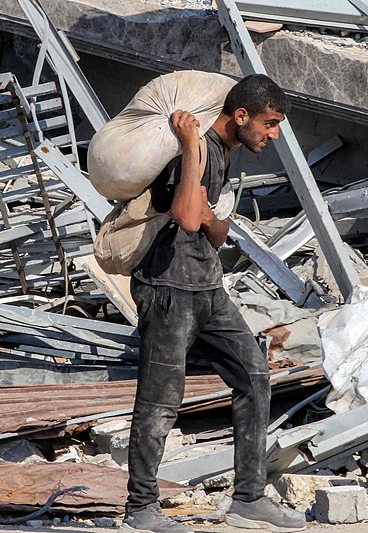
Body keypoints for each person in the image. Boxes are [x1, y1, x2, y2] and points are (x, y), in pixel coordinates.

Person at [120, 74, 307, 533]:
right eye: (269, 123)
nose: (273, 134)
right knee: (160, 401)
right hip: (167, 288)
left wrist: (207, 214)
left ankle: (248, 498)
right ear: (240, 115)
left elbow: (218, 233)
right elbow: (187, 218)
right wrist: (190, 153)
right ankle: (140, 510)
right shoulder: (197, 147)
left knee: (254, 375)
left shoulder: (224, 155)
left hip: (206, 286)